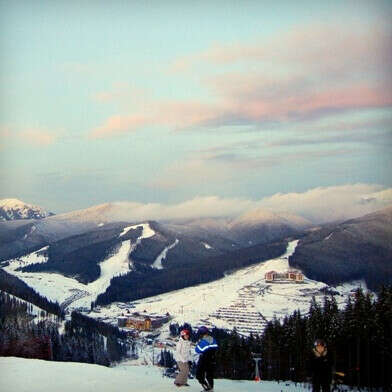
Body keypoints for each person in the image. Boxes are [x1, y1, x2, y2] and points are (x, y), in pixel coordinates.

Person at [195, 326, 218, 392]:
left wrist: (198, 344)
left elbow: (198, 350)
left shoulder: (203, 340)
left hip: (204, 358)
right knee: (209, 375)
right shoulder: (212, 339)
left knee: (199, 375)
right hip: (212, 358)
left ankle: (207, 388)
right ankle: (211, 388)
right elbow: (216, 347)